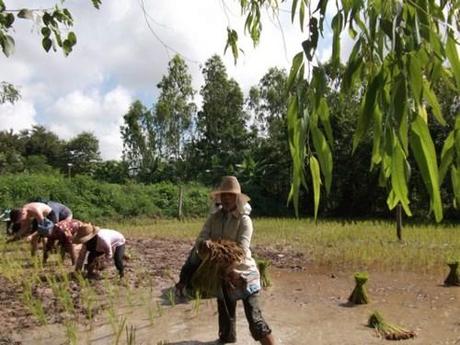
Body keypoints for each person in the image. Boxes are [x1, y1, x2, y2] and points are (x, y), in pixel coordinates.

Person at [176, 176, 275, 345]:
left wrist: (232, 270)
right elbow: (200, 239)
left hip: (244, 274)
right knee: (226, 332)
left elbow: (242, 250)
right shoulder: (213, 218)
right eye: (224, 195)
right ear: (219, 198)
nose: (227, 198)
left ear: (237, 198)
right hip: (222, 275)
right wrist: (205, 245)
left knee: (256, 323)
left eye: (231, 195)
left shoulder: (244, 220)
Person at [8, 201, 72, 255]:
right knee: (34, 238)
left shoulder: (35, 211)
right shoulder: (24, 213)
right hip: (40, 218)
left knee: (45, 237)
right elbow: (24, 227)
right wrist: (14, 238)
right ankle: (33, 255)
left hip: (50, 215)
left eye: (21, 220)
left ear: (23, 214)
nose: (22, 222)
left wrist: (31, 236)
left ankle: (46, 254)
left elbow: (43, 227)